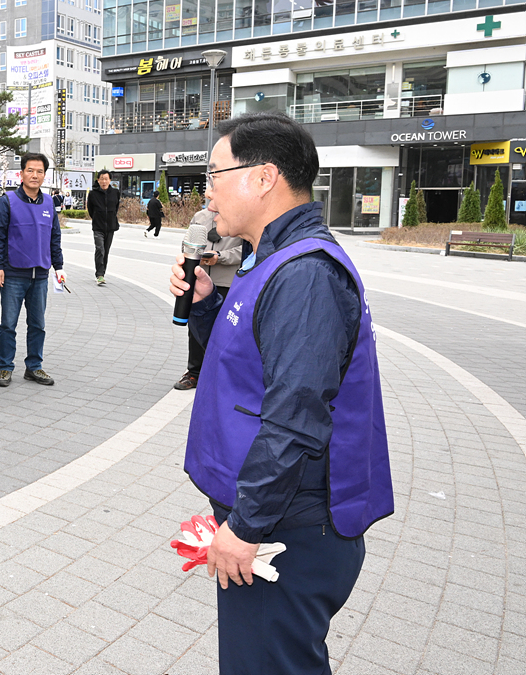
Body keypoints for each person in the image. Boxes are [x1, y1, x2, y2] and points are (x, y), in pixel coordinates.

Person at [168, 113, 393, 673]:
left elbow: (296, 416)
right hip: (278, 514)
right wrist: (205, 303)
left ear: (263, 178)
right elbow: (255, 355)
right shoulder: (269, 258)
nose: (208, 193)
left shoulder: (303, 274)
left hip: (284, 527)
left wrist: (245, 526)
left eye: (215, 174)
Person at [0, 153, 64, 388]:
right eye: (30, 170)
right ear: (21, 174)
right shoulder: (8, 201)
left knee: (37, 324)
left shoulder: (49, 203)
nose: (35, 175)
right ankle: (5, 367)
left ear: (44, 175)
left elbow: (55, 237)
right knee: (8, 324)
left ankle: (34, 366)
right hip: (13, 274)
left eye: (39, 171)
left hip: (40, 275)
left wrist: (59, 267)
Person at [174, 205, 243, 391]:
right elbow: (186, 243)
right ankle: (194, 372)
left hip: (228, 281)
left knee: (226, 327)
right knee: (196, 328)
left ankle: (221, 374)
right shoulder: (200, 216)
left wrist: (220, 256)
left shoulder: (239, 215)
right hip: (199, 278)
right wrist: (195, 255)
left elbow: (245, 250)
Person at [88, 170, 120, 286]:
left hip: (110, 227)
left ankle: (102, 273)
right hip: (98, 226)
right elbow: (90, 210)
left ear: (110, 180)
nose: (104, 181)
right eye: (101, 179)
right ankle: (99, 274)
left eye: (106, 179)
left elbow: (115, 208)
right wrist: (97, 218)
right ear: (98, 180)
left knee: (106, 251)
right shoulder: (93, 194)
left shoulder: (115, 192)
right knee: (100, 249)